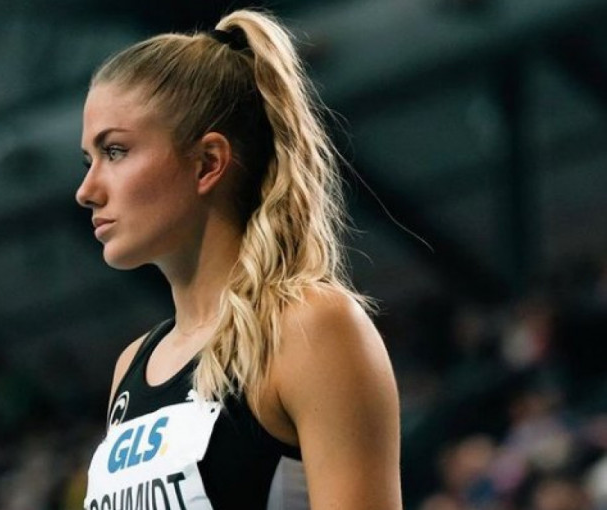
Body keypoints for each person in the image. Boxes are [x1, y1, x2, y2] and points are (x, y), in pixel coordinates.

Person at [75, 8, 402, 510]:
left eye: (115, 152)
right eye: (88, 160)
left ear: (208, 163)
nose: (86, 190)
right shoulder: (131, 366)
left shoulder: (311, 328)